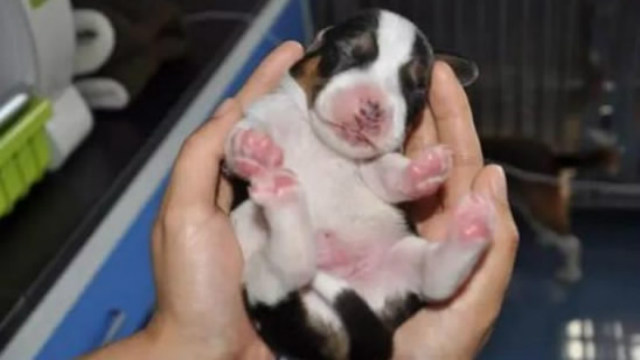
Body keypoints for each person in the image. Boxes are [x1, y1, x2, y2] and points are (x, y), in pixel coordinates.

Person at [83, 41, 519, 360]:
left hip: (358, 272)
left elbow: (382, 177)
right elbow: (240, 146)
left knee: (410, 260)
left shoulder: (367, 148)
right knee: (270, 256)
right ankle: (293, 248)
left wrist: (409, 178)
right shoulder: (284, 113)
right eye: (353, 64)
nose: (370, 104)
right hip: (285, 273)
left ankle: (442, 265)